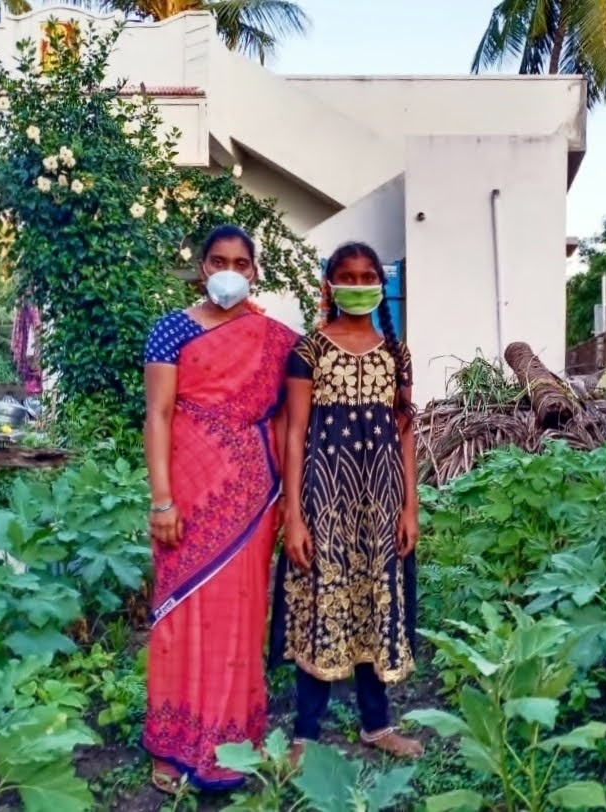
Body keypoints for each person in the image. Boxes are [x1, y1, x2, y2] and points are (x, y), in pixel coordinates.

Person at [141, 225, 299, 792]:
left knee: (239, 618)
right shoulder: (171, 331)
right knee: (178, 613)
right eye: (218, 261)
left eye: (240, 262)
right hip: (186, 493)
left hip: (250, 498)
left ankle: (233, 742)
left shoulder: (278, 340)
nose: (229, 272)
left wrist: (290, 499)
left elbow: (290, 421)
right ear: (202, 266)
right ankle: (172, 743)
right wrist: (161, 500)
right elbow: (158, 415)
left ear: (254, 271)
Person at [270, 241, 423, 763]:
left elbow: (405, 432)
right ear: (330, 285)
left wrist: (410, 507)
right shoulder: (308, 351)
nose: (358, 285)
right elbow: (295, 434)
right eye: (348, 277)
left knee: (374, 602)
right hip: (325, 500)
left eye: (367, 276)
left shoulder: (396, 353)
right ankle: (305, 734)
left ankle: (377, 726)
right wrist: (293, 514)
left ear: (381, 283)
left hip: (381, 502)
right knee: (323, 601)